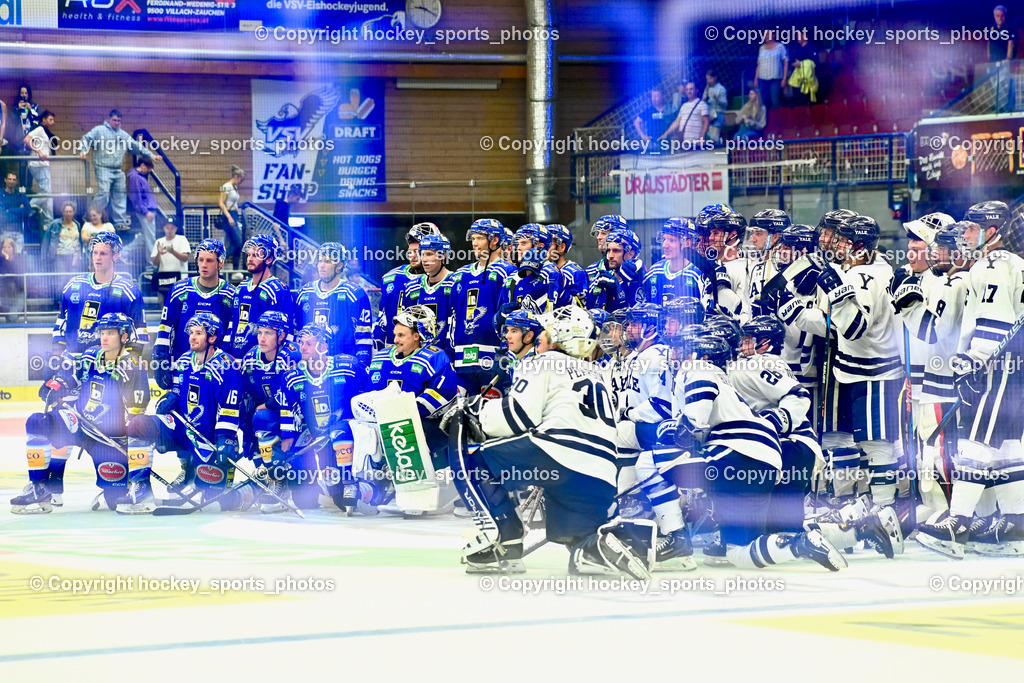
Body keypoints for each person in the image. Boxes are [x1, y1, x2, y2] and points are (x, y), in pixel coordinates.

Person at [447, 305, 654, 579]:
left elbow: (517, 417)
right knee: (577, 539)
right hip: (602, 474)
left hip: (556, 454)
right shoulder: (597, 373)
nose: (539, 338)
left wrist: (476, 410)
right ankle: (597, 547)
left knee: (470, 452)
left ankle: (504, 539)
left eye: (544, 332)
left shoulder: (542, 362)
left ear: (557, 337)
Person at [667, 327, 847, 571]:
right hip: (777, 451)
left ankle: (698, 535)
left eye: (748, 340)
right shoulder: (726, 374)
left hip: (787, 446)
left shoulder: (744, 368)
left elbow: (798, 393)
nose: (743, 347)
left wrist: (776, 420)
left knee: (759, 536)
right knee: (778, 532)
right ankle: (856, 529)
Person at [917, 202, 1024, 557]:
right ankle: (1015, 525)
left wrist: (970, 363)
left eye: (972, 228)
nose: (965, 234)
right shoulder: (1010, 264)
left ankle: (958, 523)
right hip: (1013, 367)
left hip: (996, 366)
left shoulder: (992, 267)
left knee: (975, 443)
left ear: (991, 231)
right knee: (1008, 447)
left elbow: (994, 324)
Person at [11, 312, 149, 514]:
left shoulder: (133, 367)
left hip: (109, 438)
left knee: (115, 502)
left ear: (124, 336)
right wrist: (54, 386)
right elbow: (73, 379)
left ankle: (122, 485)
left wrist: (128, 445)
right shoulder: (90, 355)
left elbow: (137, 412)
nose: (104, 337)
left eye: (110, 333)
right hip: (79, 423)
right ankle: (39, 487)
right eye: (102, 332)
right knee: (37, 422)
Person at [124, 313, 245, 514]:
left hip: (210, 439)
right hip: (183, 429)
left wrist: (226, 438)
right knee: (138, 425)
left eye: (198, 333)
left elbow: (230, 407)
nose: (192, 337)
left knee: (217, 500)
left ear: (213, 337)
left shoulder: (227, 365)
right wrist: (170, 399)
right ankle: (141, 488)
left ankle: (245, 492)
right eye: (191, 333)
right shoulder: (184, 360)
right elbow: (178, 391)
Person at [890, 212, 958, 519]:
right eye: (910, 246)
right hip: (912, 379)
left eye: (918, 246)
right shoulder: (908, 277)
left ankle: (947, 513)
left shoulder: (946, 282)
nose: (910, 252)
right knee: (917, 449)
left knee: (937, 448)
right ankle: (927, 510)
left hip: (939, 380)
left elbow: (935, 335)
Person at [258, 323, 367, 512]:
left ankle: (357, 483)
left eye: (309, 343)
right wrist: (284, 451)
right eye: (301, 343)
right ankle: (289, 484)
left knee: (343, 502)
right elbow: (288, 415)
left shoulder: (348, 366)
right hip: (311, 436)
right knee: (305, 502)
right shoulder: (292, 376)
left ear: (323, 347)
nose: (302, 348)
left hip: (342, 437)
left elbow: (369, 392)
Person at [152, 239, 235, 392]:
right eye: (200, 260)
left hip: (216, 371)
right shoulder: (179, 289)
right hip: (181, 366)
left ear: (220, 263)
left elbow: (231, 334)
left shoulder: (231, 294)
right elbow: (166, 327)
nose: (204, 265)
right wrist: (161, 357)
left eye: (209, 260)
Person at [53, 233, 149, 360]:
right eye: (95, 253)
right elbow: (61, 325)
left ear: (115, 256)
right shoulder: (73, 285)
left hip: (110, 364)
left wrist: (129, 363)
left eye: (103, 254)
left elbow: (138, 334)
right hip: (73, 361)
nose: (97, 258)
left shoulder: (129, 292)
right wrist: (58, 356)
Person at [450, 219, 517, 394]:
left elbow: (509, 315)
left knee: (490, 407)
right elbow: (453, 315)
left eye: (479, 238)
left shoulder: (507, 272)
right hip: (462, 357)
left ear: (495, 240)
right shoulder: (460, 274)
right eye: (473, 238)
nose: (474, 243)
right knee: (462, 407)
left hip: (492, 355)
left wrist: (505, 352)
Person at [295, 242, 373, 363]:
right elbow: (296, 332)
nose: (321, 265)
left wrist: (362, 366)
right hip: (309, 365)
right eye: (320, 261)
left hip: (343, 365)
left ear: (339, 266)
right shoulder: (304, 293)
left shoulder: (355, 294)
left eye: (327, 261)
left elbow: (364, 337)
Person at [79, 109, 155, 229]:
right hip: (103, 167)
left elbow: (136, 146)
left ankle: (120, 223)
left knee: (120, 195)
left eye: (119, 120)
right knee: (104, 193)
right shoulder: (99, 130)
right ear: (109, 119)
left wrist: (151, 155)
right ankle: (89, 215)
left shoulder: (123, 135)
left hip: (117, 169)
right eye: (114, 120)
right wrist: (83, 150)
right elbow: (86, 139)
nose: (116, 122)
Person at [224, 235, 293, 360]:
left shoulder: (278, 290)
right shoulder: (241, 288)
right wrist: (226, 352)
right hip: (236, 359)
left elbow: (285, 330)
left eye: (256, 255)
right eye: (249, 255)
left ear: (269, 259)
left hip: (261, 362)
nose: (250, 259)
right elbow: (232, 323)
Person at [374, 221, 440, 348]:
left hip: (426, 350)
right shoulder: (390, 278)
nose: (413, 256)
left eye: (418, 251)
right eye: (410, 251)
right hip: (393, 349)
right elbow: (382, 318)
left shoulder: (443, 281)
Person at [402, 233, 456, 357]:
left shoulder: (455, 283)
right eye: (422, 254)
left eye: (429, 254)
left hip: (447, 356)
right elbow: (406, 325)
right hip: (419, 356)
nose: (424, 259)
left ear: (443, 256)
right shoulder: (412, 287)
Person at [589, 227, 646, 312]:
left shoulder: (641, 280)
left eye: (616, 251)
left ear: (631, 254)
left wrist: (618, 294)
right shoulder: (601, 279)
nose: (610, 256)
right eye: (608, 250)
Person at [24, 109, 56, 236]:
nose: (53, 122)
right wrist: (39, 152)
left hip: (42, 165)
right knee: (47, 192)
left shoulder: (45, 132)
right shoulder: (39, 129)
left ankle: (49, 221)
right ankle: (29, 208)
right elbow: (27, 139)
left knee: (48, 193)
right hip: (38, 164)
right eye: (50, 119)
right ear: (43, 120)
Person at [546, 224, 587, 306]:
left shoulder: (576, 272)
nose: (544, 248)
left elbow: (582, 306)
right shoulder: (542, 270)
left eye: (549, 243)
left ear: (562, 247)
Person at [128, 158, 160, 263]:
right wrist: (146, 212)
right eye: (149, 168)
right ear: (142, 165)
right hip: (146, 211)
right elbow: (136, 197)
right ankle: (152, 266)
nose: (149, 170)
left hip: (147, 210)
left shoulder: (138, 176)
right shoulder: (135, 177)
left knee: (146, 237)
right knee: (150, 239)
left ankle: (124, 252)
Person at [151, 219, 190, 296]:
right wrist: (159, 252)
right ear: (164, 228)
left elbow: (185, 258)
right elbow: (155, 263)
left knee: (179, 299)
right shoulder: (159, 241)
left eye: (172, 228)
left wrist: (173, 252)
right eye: (167, 228)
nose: (169, 230)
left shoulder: (182, 239)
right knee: (163, 299)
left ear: (176, 229)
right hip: (163, 278)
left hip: (180, 277)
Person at [217, 165, 246, 270]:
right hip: (229, 215)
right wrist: (229, 217)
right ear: (236, 177)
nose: (241, 182)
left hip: (234, 214)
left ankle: (235, 269)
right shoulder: (226, 186)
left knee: (235, 244)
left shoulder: (234, 187)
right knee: (238, 244)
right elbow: (221, 202)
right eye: (240, 179)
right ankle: (217, 259)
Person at [43, 201, 81, 276]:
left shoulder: (77, 224)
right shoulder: (55, 224)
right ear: (63, 212)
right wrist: (44, 257)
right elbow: (46, 240)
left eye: (70, 211)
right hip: (60, 256)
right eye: (66, 211)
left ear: (74, 212)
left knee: (73, 279)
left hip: (74, 256)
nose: (68, 214)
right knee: (61, 279)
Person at [755, 35, 789, 110]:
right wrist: (756, 78)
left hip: (776, 79)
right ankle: (768, 117)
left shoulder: (780, 47)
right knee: (765, 102)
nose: (766, 36)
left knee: (775, 101)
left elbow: (785, 63)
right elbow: (759, 64)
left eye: (768, 34)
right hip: (763, 79)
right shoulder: (762, 48)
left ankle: (779, 117)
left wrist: (784, 78)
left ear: (773, 35)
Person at [1, 170, 30, 251]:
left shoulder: (21, 196)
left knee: (18, 256)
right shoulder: (1, 196)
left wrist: (10, 210)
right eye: (9, 179)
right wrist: (20, 209)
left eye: (14, 180)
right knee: (5, 255)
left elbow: (27, 210)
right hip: (5, 231)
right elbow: (2, 215)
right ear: (5, 180)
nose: (11, 181)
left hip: (19, 232)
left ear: (16, 181)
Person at [0, 236, 25, 321]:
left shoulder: (19, 258)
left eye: (8, 247)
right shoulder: (1, 260)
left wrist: (9, 261)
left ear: (13, 248)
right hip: (5, 290)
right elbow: (4, 273)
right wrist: (6, 258)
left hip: (18, 288)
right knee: (9, 315)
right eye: (4, 247)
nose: (6, 249)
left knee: (14, 315)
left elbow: (16, 271)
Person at [702, 70, 727, 144]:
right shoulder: (707, 89)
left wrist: (716, 99)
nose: (708, 81)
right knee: (708, 137)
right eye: (707, 79)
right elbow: (703, 100)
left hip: (717, 116)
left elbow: (725, 103)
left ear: (715, 78)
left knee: (714, 138)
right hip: (709, 115)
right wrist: (704, 99)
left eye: (710, 78)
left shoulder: (721, 89)